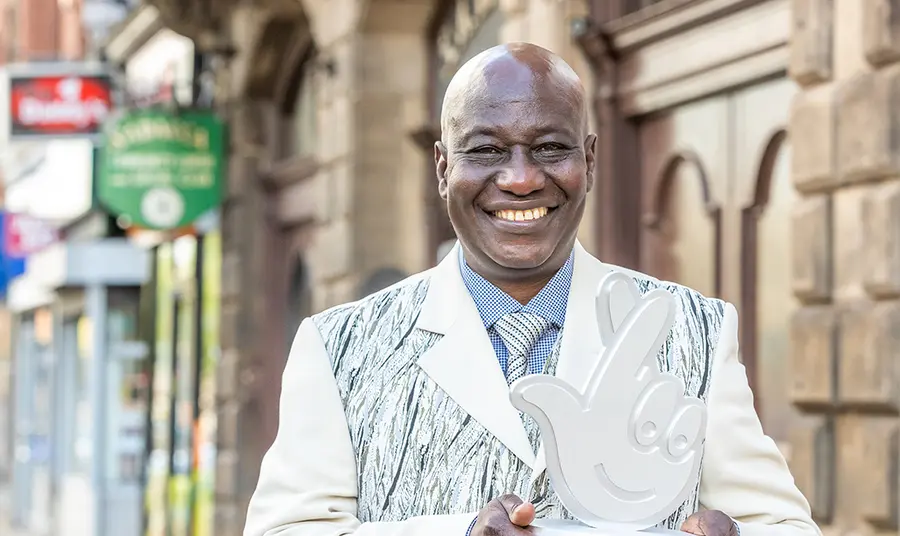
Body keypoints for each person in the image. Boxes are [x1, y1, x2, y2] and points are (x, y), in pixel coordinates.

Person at [243, 42, 821, 536]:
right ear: (444, 169)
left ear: (589, 161)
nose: (520, 178)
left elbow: (784, 525)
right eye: (487, 150)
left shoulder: (691, 327)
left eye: (549, 148)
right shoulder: (341, 345)